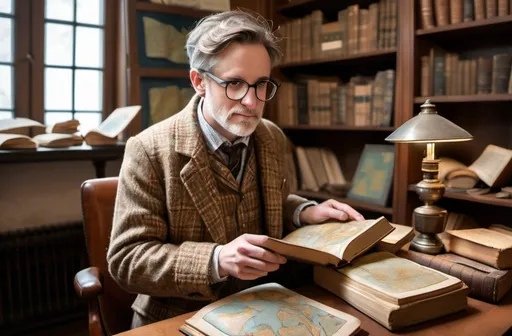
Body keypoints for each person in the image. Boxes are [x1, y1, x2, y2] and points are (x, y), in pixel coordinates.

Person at [107, 9, 365, 329]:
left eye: (261, 85)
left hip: (263, 307)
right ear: (199, 81)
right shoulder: (147, 150)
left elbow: (268, 204)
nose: (252, 102)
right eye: (235, 84)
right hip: (176, 317)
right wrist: (217, 261)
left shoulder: (271, 136)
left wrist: (304, 212)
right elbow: (127, 261)